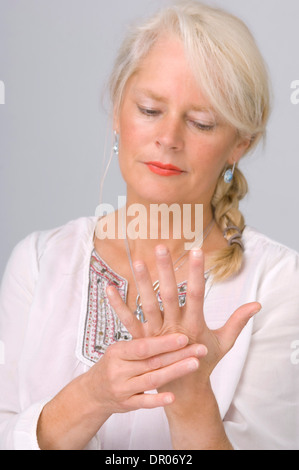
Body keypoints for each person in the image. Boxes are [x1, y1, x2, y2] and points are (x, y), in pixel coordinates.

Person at [0, 1, 298, 451]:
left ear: (239, 144)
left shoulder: (277, 285)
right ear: (118, 110)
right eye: (150, 109)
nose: (169, 139)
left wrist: (192, 402)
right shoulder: (39, 263)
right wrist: (93, 394)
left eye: (201, 122)